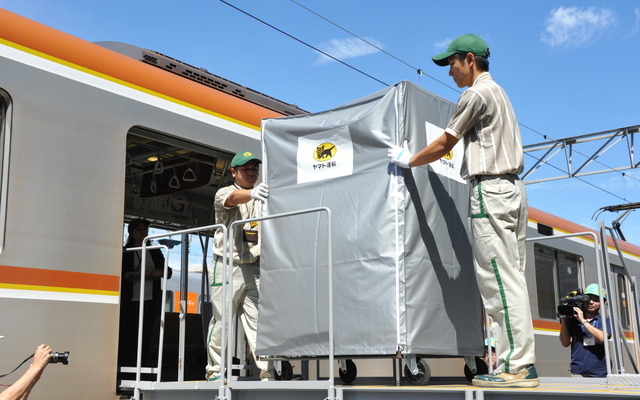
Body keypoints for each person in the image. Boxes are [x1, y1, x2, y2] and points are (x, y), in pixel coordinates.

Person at [388, 33, 538, 388]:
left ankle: (517, 367)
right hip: (513, 190)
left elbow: (445, 143)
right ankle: (519, 363)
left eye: (452, 64)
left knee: (498, 281)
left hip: (490, 190)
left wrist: (408, 160)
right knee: (512, 278)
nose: (450, 72)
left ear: (470, 59)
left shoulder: (476, 93)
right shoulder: (500, 93)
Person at [205, 151, 273, 381]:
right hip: (227, 265)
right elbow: (232, 199)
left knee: (259, 321)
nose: (252, 172)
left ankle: (267, 371)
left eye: (254, 168)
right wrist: (253, 193)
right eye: (246, 169)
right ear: (234, 172)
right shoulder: (224, 191)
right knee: (222, 318)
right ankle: (214, 370)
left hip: (254, 266)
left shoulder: (263, 196)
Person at [119, 219, 172, 368]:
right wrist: (150, 274)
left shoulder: (155, 251)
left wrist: (154, 273)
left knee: (145, 336)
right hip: (130, 302)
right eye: (139, 230)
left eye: (145, 230)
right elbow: (123, 275)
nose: (143, 233)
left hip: (150, 301)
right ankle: (126, 365)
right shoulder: (125, 251)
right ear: (132, 233)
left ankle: (141, 365)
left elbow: (167, 272)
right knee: (127, 335)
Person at [559, 283, 610, 377]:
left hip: (599, 373)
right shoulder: (573, 321)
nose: (591, 302)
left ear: (602, 303)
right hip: (578, 372)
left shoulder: (605, 321)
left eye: (596, 300)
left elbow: (602, 338)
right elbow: (565, 343)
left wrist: (583, 321)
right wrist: (564, 321)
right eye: (588, 299)